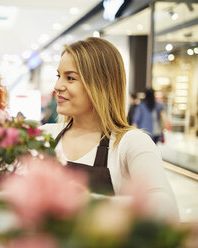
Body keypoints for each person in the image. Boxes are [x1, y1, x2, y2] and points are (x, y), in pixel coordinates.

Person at [40, 37, 178, 221]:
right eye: (59, 76)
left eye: (70, 78)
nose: (57, 86)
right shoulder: (45, 135)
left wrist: (87, 203)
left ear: (99, 84)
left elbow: (166, 208)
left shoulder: (130, 143)